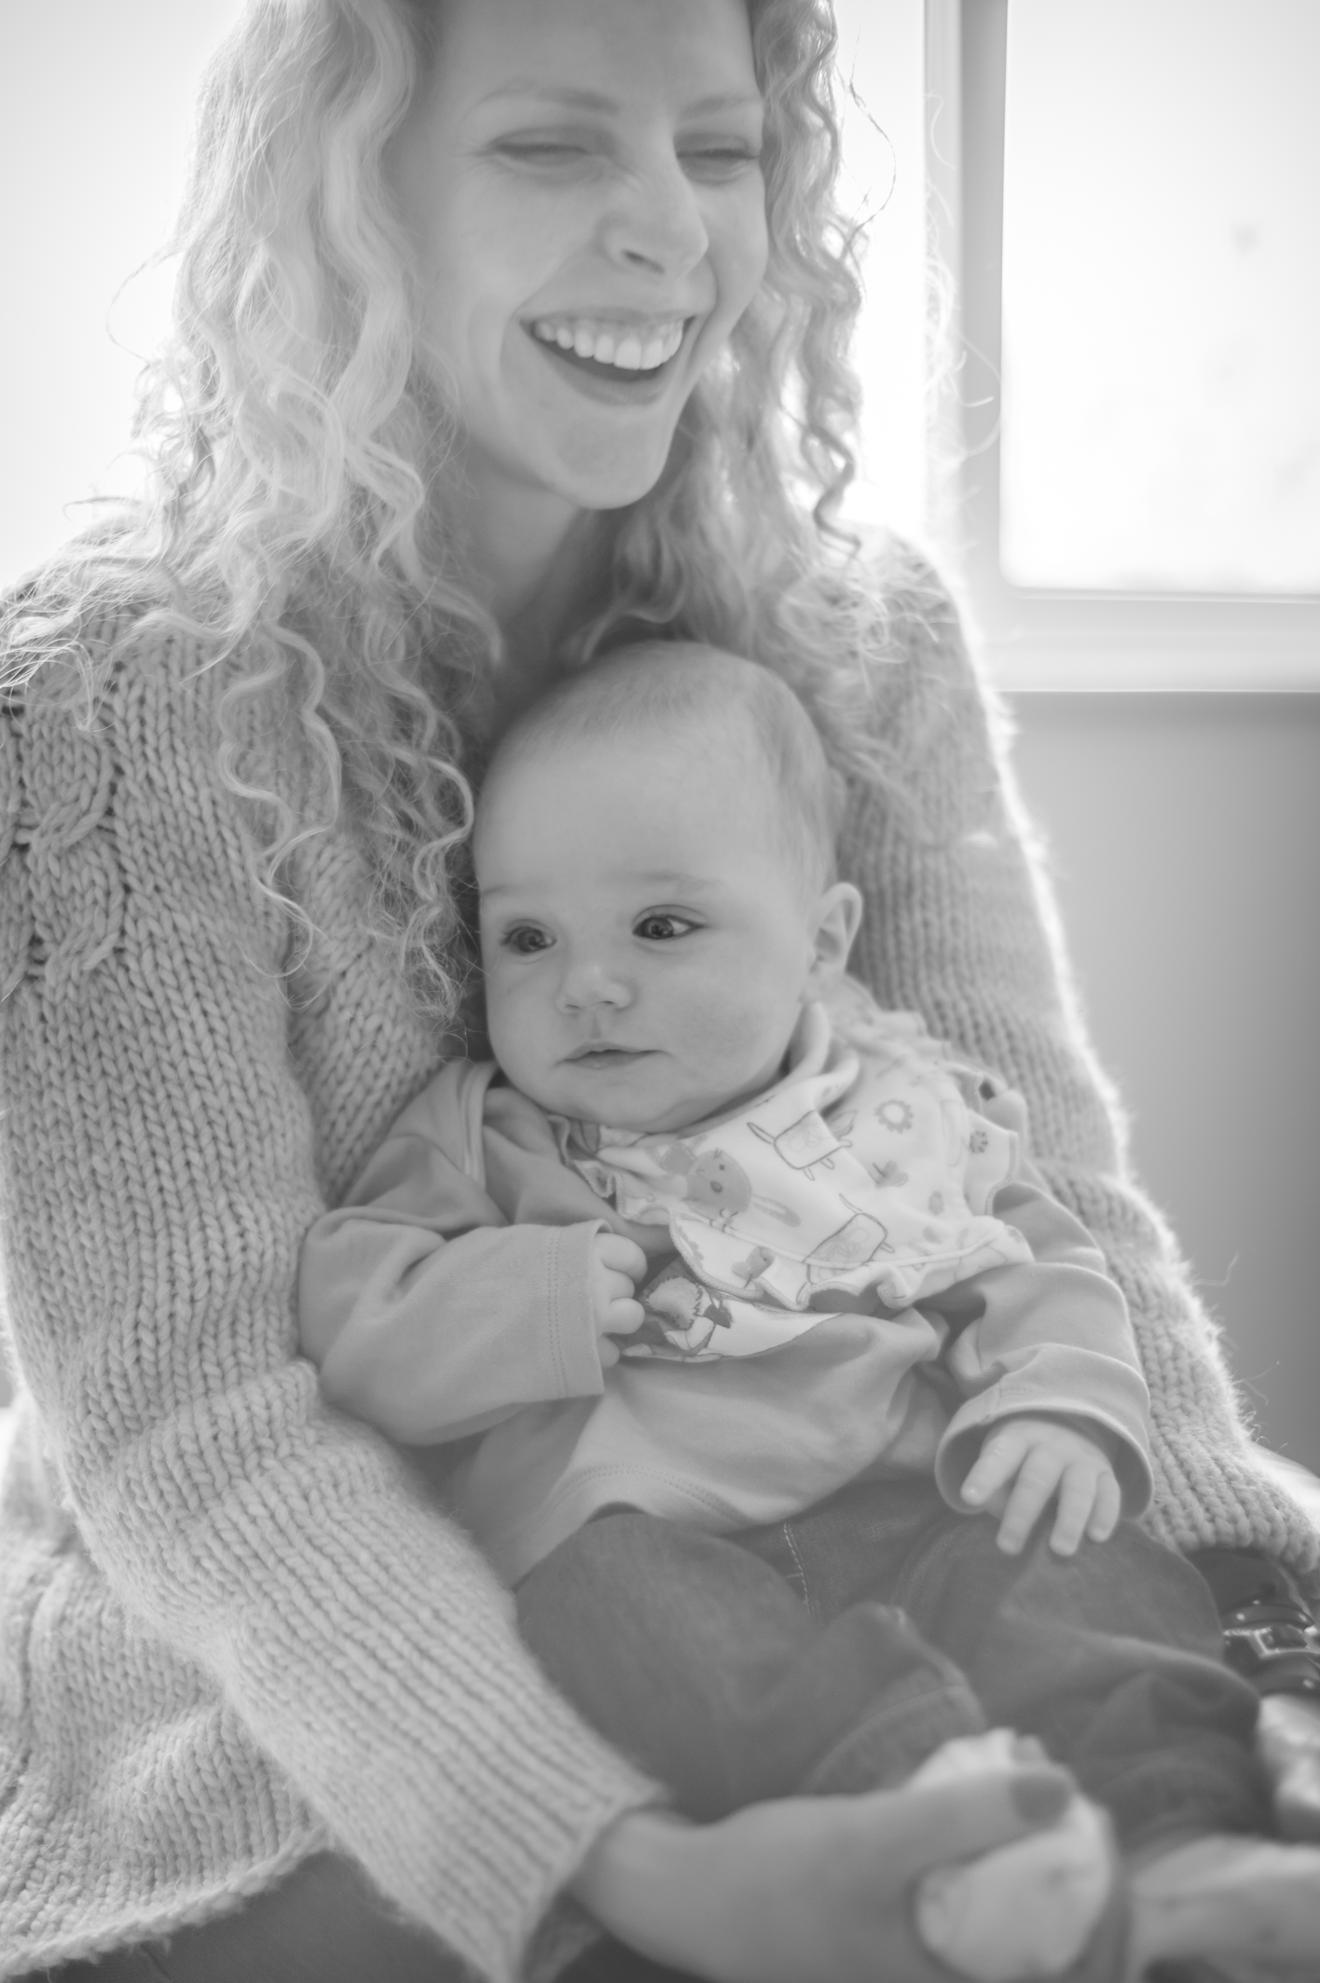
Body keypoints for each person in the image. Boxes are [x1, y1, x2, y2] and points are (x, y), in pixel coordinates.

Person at [0, 0, 1316, 1978]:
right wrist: (637, 1868)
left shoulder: (863, 641)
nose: (674, 232)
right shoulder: (111, 709)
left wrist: (1254, 1639)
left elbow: (1049, 1196)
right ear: (352, 201)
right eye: (552, 146)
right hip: (312, 1669)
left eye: (721, 148)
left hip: (897, 1537)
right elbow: (201, 1435)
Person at [297, 638, 1320, 1982]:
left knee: (1082, 1559)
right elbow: (351, 1323)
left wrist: (1060, 1406)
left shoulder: (896, 1105)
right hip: (647, 1542)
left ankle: (1179, 1842)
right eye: (527, 937)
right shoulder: (482, 1133)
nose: (585, 982)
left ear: (822, 942)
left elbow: (1042, 1263)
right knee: (600, 1620)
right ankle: (931, 1822)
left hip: (925, 1501)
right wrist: (521, 1299)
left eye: (663, 927)